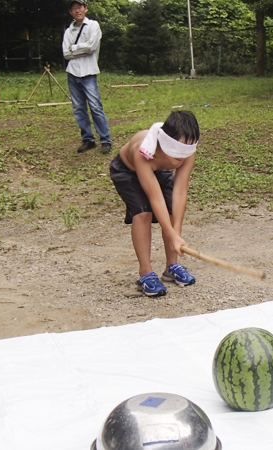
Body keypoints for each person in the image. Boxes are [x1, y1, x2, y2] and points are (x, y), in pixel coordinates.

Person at [109, 111, 199, 297]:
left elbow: (180, 191)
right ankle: (146, 273)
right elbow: (155, 198)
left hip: (159, 170)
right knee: (143, 213)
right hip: (128, 171)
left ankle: (172, 266)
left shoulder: (187, 150)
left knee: (172, 211)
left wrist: (176, 234)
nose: (181, 158)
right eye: (177, 151)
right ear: (166, 142)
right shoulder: (144, 150)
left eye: (186, 152)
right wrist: (171, 233)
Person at [63, 0, 112, 155]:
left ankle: (105, 140)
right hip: (73, 72)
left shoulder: (93, 26)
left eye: (80, 7)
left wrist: (75, 48)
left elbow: (91, 48)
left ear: (85, 9)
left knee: (95, 106)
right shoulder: (68, 31)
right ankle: (88, 139)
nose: (77, 10)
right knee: (78, 108)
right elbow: (65, 53)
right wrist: (82, 48)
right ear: (70, 12)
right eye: (74, 8)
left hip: (89, 72)